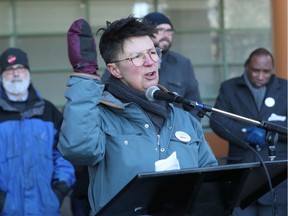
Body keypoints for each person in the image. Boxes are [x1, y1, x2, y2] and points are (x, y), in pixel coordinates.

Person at [57, 16, 218, 215]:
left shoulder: (182, 118)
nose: (151, 62)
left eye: (152, 52)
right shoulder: (99, 116)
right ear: (114, 69)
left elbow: (211, 183)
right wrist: (85, 76)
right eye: (137, 56)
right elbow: (78, 150)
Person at [209, 47, 287, 216]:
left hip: (276, 178)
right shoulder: (229, 88)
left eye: (266, 71)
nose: (260, 76)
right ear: (246, 67)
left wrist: (268, 135)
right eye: (255, 70)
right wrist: (245, 133)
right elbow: (217, 121)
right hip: (241, 174)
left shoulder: (286, 89)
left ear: (272, 70)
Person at [0, 48, 75, 215]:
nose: (16, 73)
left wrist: (58, 193)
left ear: (28, 72)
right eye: (9, 70)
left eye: (20, 68)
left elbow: (65, 155)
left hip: (46, 209)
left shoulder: (48, 111)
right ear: (2, 75)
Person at [102, 12, 202, 120]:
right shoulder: (122, 64)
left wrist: (186, 129)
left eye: (169, 31)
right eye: (160, 30)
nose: (165, 35)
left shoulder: (183, 63)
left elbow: (194, 105)